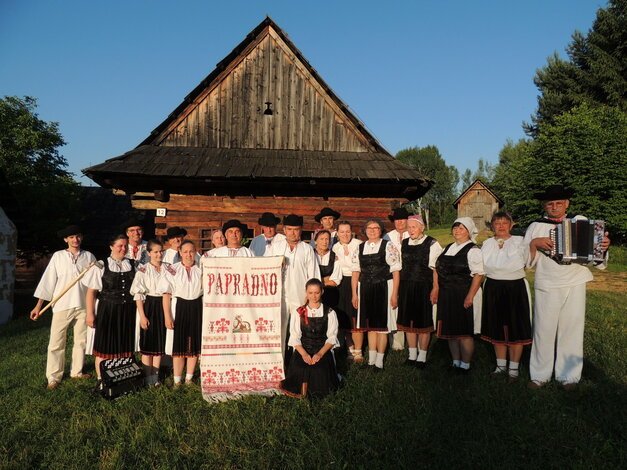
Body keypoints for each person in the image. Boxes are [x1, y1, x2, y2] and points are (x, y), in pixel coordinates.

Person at [524, 185, 610, 390]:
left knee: (572, 328)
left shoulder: (580, 221)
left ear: (567, 204)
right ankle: (539, 375)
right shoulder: (536, 226)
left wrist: (603, 247)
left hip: (576, 280)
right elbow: (525, 261)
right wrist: (534, 243)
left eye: (559, 203)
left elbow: (596, 256)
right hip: (547, 282)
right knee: (543, 330)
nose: (554, 207)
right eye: (550, 203)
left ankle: (569, 376)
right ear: (544, 205)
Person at [30, 225, 96, 389]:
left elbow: (95, 282)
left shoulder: (89, 257)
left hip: (83, 305)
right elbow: (48, 282)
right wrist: (38, 306)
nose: (75, 240)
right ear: (66, 239)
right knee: (56, 342)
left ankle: (76, 372)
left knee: (81, 340)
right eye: (72, 237)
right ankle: (54, 377)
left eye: (78, 236)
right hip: (62, 305)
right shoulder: (58, 257)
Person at [480, 212, 532, 383]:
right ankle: (501, 365)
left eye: (504, 223)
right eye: (497, 223)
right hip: (493, 286)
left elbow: (529, 261)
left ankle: (514, 369)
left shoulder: (520, 241)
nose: (501, 226)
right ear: (492, 226)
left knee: (515, 326)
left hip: (515, 287)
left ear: (511, 225)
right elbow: (481, 267)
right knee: (497, 325)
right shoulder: (486, 244)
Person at [432, 217, 484, 374]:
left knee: (464, 331)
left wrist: (470, 296)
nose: (457, 231)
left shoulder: (473, 250)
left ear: (469, 232)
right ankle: (455, 362)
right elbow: (437, 267)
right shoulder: (448, 247)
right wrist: (436, 288)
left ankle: (465, 364)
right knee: (451, 331)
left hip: (464, 293)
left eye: (462, 228)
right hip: (447, 293)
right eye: (455, 227)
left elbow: (478, 275)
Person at [265, 214, 320, 357]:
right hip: (279, 297)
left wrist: (311, 298)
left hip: (299, 297)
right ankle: (278, 365)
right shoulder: (274, 247)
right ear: (284, 229)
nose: (293, 233)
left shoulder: (307, 249)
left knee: (298, 332)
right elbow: (264, 270)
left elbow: (313, 275)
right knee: (277, 331)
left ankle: (299, 364)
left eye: (296, 229)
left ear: (301, 230)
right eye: (289, 229)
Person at [83, 234, 136, 380]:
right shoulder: (101, 265)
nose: (123, 249)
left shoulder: (133, 264)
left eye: (125, 246)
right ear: (111, 247)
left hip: (128, 310)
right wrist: (90, 314)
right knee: (105, 345)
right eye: (120, 245)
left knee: (125, 343)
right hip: (107, 309)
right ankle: (102, 380)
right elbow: (91, 292)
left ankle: (122, 377)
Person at [351, 218, 401, 371]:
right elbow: (355, 272)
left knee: (382, 327)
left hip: (384, 287)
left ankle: (379, 361)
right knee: (370, 326)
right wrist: (354, 294)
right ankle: (371, 360)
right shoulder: (359, 248)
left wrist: (394, 294)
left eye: (376, 228)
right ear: (365, 231)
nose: (372, 230)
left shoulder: (388, 246)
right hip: (365, 288)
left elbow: (395, 271)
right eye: (369, 228)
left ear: (381, 230)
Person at [280, 278, 340, 398]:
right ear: (306, 293)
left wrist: (319, 354)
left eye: (317, 293)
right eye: (310, 293)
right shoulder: (299, 312)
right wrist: (304, 354)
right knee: (300, 367)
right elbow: (295, 337)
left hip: (322, 349)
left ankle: (313, 392)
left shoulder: (330, 312)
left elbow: (332, 337)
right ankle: (302, 390)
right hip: (303, 348)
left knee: (319, 370)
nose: (314, 296)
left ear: (322, 292)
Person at [397, 215, 442, 368]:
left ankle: (422, 356)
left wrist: (435, 288)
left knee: (423, 322)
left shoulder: (432, 243)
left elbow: (436, 268)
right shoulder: (404, 243)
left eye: (414, 227)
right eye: (409, 227)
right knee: (408, 321)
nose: (411, 230)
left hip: (424, 286)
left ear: (422, 228)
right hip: (406, 286)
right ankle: (412, 355)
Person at [158, 240, 203, 387]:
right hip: (178, 307)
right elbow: (166, 294)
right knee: (178, 346)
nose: (189, 255)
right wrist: (167, 316)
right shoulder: (172, 269)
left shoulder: (202, 269)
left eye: (191, 251)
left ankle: (189, 379)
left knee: (194, 345)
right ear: (180, 253)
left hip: (197, 307)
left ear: (195, 251)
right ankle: (177, 381)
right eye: (185, 252)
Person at [130, 239, 168, 386]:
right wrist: (142, 316)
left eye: (161, 251)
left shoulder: (169, 268)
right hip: (149, 305)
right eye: (156, 252)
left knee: (160, 339)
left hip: (164, 305)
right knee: (148, 340)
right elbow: (138, 295)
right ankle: (147, 374)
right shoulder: (143, 270)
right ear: (149, 253)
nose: (159, 254)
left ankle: (155, 375)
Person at [332, 221, 363, 361]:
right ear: (337, 233)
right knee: (345, 318)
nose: (345, 234)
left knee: (356, 316)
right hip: (341, 283)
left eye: (348, 231)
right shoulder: (335, 247)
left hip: (356, 281)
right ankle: (350, 349)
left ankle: (359, 350)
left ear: (352, 232)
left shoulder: (359, 244)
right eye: (342, 232)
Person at [384, 207, 410, 350]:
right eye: (397, 220)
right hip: (392, 275)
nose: (400, 222)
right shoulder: (388, 237)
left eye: (402, 219)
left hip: (409, 276)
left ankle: (411, 337)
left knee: (406, 306)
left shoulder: (412, 233)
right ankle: (396, 343)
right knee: (393, 306)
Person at [313, 230, 342, 309]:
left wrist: (317, 282)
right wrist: (326, 279)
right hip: (313, 295)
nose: (325, 242)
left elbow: (335, 280)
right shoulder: (310, 255)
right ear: (315, 241)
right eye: (321, 239)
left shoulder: (335, 256)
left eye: (327, 239)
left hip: (330, 294)